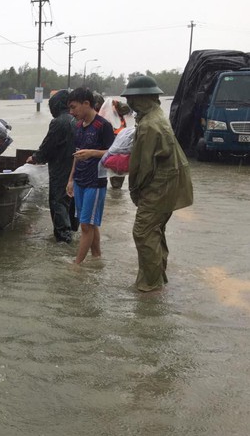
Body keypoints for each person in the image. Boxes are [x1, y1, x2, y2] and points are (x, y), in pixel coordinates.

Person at [121, 75, 193, 292]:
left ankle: (150, 286)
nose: (130, 105)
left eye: (133, 100)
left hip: (159, 186)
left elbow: (142, 166)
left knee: (143, 231)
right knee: (153, 231)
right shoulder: (156, 116)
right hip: (169, 183)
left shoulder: (149, 125)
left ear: (144, 98)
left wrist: (134, 190)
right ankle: (156, 277)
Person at [66, 87, 115, 264]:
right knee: (89, 223)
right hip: (79, 180)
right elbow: (77, 155)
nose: (72, 113)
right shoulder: (78, 127)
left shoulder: (103, 126)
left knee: (86, 225)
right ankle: (97, 258)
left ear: (87, 104)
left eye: (74, 107)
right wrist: (71, 179)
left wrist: (93, 153)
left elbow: (113, 154)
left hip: (96, 182)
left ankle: (77, 264)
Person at [26, 89, 76, 243]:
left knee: (58, 201)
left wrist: (35, 158)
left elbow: (48, 145)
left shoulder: (59, 122)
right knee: (73, 199)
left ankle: (63, 238)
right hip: (76, 168)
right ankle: (73, 230)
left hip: (61, 168)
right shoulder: (77, 120)